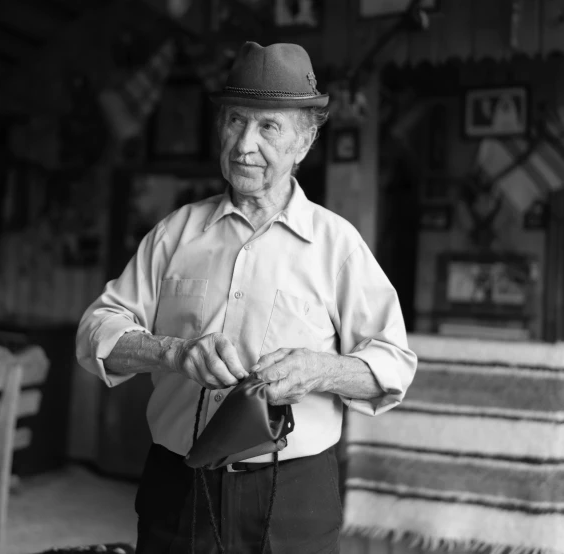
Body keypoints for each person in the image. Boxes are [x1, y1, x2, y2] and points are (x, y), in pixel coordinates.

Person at [76, 41, 417, 554]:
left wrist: (319, 369)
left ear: (304, 143)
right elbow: (96, 329)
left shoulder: (336, 244)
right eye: (235, 121)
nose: (243, 144)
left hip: (293, 493)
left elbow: (393, 364)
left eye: (268, 127)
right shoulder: (175, 234)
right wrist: (172, 351)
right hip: (179, 485)